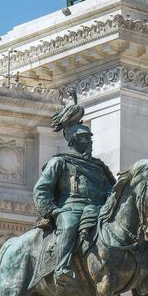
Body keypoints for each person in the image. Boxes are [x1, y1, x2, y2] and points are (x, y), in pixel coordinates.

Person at [33, 120, 115, 285]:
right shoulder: (59, 162)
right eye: (83, 137)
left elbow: (111, 190)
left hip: (96, 209)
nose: (88, 141)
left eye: (89, 137)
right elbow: (41, 189)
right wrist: (52, 210)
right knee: (69, 223)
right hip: (69, 209)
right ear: (72, 141)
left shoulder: (99, 167)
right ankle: (62, 267)